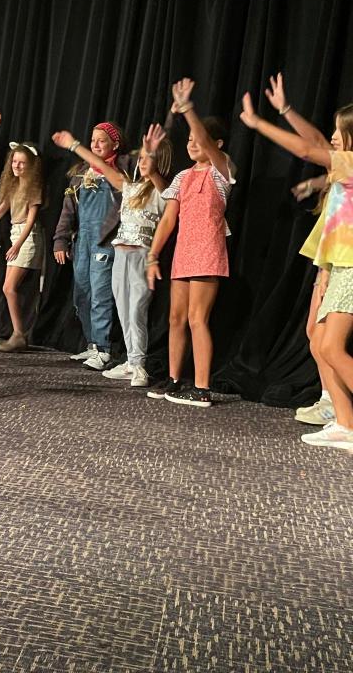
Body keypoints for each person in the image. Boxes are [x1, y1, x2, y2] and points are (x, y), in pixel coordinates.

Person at [240, 81, 353, 448]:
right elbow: (317, 141)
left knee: (332, 347)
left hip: (350, 267)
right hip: (337, 264)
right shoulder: (344, 167)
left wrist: (258, 123)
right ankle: (345, 424)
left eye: (341, 132)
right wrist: (287, 110)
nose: (333, 137)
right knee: (320, 344)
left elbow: (308, 148)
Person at [54, 125, 172, 387]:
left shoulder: (163, 193)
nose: (142, 163)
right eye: (140, 158)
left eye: (147, 158)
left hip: (141, 256)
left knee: (137, 311)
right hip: (121, 254)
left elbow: (162, 188)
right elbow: (101, 166)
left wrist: (152, 156)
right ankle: (131, 361)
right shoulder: (130, 188)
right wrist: (74, 145)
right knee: (123, 310)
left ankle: (139, 365)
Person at [146, 79, 235, 408]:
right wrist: (153, 255)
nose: (193, 143)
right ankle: (173, 378)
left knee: (198, 318)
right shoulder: (183, 177)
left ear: (217, 143)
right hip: (183, 251)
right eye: (189, 140)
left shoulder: (221, 170)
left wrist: (188, 111)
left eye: (199, 139)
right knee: (175, 318)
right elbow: (169, 218)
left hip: (208, 250)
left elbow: (210, 149)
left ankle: (201, 386)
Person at [52, 121, 128, 370]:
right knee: (81, 295)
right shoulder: (81, 172)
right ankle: (92, 344)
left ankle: (104, 348)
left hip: (104, 241)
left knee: (100, 295)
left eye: (101, 140)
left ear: (114, 144)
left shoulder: (121, 169)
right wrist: (60, 240)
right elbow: (68, 210)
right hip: (82, 240)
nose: (95, 144)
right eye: (92, 140)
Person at [0, 142, 45, 352]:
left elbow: (31, 220)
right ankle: (18, 333)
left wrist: (18, 245)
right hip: (15, 235)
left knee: (9, 288)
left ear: (31, 165)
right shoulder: (13, 186)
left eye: (22, 163)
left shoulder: (33, 187)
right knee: (8, 288)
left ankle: (19, 334)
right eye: (15, 162)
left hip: (28, 237)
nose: (17, 166)